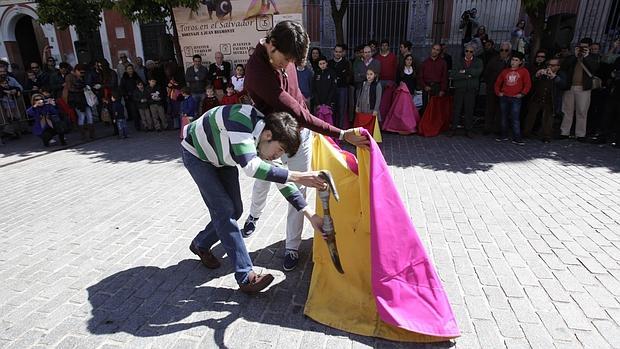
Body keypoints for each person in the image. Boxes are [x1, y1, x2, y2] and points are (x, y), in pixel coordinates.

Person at [240, 20, 369, 271]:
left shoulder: (285, 55)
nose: (287, 64)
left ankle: (292, 246)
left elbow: (299, 109)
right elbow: (297, 112)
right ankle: (254, 215)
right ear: (272, 44)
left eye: (291, 61)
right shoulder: (257, 72)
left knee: (298, 190)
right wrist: (342, 133)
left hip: (299, 135)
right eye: (285, 59)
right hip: (273, 139)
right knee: (262, 181)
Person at [181, 105, 327, 294]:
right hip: (197, 155)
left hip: (221, 158)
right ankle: (246, 276)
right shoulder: (240, 119)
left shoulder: (266, 139)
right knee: (225, 211)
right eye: (280, 149)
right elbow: (251, 168)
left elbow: (281, 180)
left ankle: (200, 243)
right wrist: (299, 176)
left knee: (235, 210)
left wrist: (310, 214)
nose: (278, 156)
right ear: (268, 135)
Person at [559, 39, 600, 141]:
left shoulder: (593, 58)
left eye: (585, 47)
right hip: (570, 87)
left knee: (582, 111)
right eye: (581, 47)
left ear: (589, 48)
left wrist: (585, 57)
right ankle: (564, 132)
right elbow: (564, 67)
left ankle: (580, 134)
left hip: (584, 88)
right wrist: (575, 55)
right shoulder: (572, 57)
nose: (582, 49)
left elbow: (595, 68)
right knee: (567, 111)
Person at [523, 58, 565, 143]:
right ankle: (526, 133)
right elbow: (533, 81)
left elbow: (564, 85)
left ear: (558, 67)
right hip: (537, 97)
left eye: (553, 65)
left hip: (551, 99)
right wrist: (537, 75)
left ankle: (546, 136)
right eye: (549, 65)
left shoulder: (561, 74)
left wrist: (554, 76)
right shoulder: (543, 72)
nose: (550, 67)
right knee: (531, 116)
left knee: (548, 118)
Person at [494, 51, 531, 145]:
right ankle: (504, 135)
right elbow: (498, 83)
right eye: (512, 60)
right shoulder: (505, 71)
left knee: (515, 118)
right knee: (504, 117)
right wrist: (498, 92)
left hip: (516, 98)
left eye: (516, 60)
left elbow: (528, 84)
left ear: (520, 62)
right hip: (505, 96)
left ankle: (517, 137)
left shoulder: (524, 71)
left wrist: (522, 94)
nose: (513, 62)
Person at [449, 44, 483, 137]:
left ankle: (469, 129)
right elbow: (454, 74)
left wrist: (464, 71)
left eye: (471, 51)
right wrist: (468, 74)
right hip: (460, 88)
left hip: (471, 89)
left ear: (474, 53)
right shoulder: (459, 61)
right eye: (467, 51)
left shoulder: (478, 61)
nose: (468, 53)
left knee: (469, 110)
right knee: (457, 109)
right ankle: (453, 128)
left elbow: (478, 72)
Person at [483, 42, 512, 134]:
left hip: (505, 90)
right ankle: (487, 128)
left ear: (509, 51)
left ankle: (497, 128)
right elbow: (486, 73)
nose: (503, 52)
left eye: (506, 50)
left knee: (501, 109)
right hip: (492, 88)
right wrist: (490, 84)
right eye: (501, 50)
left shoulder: (512, 62)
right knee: (489, 108)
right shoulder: (493, 60)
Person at [64, 64, 95, 140]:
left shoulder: (82, 77)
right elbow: (70, 88)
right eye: (81, 72)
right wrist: (80, 88)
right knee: (82, 116)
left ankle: (91, 134)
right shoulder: (69, 77)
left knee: (89, 115)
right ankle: (83, 134)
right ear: (76, 70)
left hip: (84, 98)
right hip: (76, 100)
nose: (82, 74)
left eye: (83, 72)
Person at [418, 44, 448, 111]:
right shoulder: (424, 63)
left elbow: (444, 77)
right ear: (431, 49)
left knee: (436, 108)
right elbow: (420, 77)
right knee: (426, 108)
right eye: (434, 49)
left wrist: (442, 90)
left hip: (437, 88)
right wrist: (424, 86)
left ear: (440, 52)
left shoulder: (443, 63)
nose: (435, 51)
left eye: (437, 50)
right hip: (426, 87)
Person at [328, 44, 352, 128]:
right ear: (333, 52)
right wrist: (339, 75)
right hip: (331, 90)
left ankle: (340, 131)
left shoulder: (346, 63)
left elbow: (347, 76)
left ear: (342, 53)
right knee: (333, 110)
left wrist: (338, 76)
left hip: (342, 88)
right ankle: (333, 129)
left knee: (342, 110)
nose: (338, 53)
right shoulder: (329, 63)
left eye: (340, 52)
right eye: (336, 52)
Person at [120, 64, 143, 130]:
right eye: (129, 69)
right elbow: (122, 88)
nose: (130, 70)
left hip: (138, 95)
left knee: (140, 111)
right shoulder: (124, 78)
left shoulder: (136, 76)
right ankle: (137, 126)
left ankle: (144, 123)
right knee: (134, 112)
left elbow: (141, 84)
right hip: (130, 97)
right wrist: (126, 95)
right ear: (126, 70)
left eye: (131, 68)